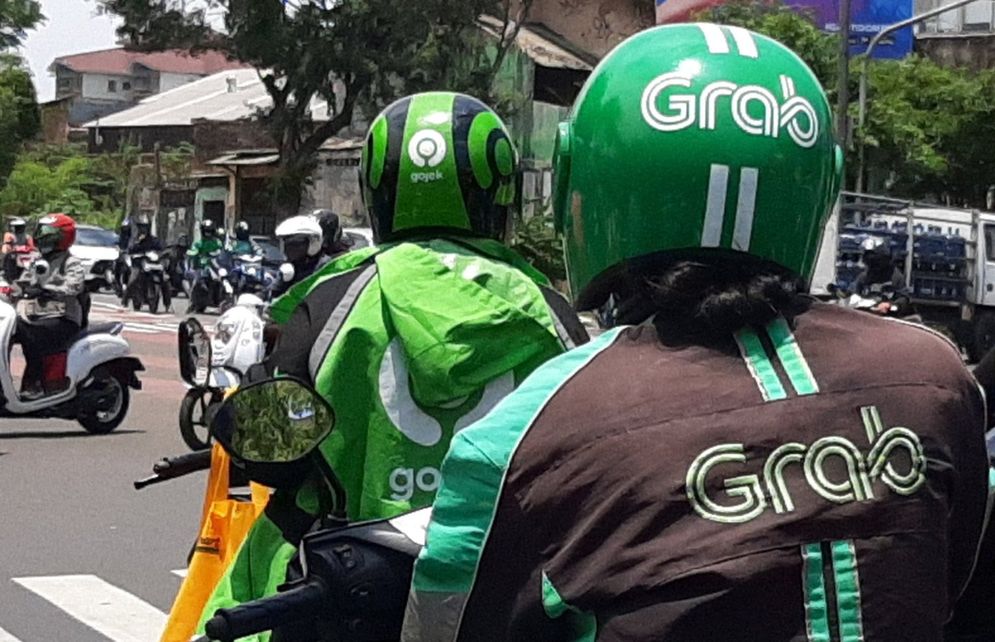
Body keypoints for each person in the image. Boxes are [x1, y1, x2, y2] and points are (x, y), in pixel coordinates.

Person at [403, 26, 990, 641]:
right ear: (822, 183)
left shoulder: (526, 436)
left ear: (581, 182)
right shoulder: (936, 380)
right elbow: (953, 588)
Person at [197, 91, 588, 640]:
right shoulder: (549, 312)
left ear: (378, 193)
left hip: (346, 595)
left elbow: (266, 452)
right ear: (502, 194)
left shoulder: (336, 300)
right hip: (510, 599)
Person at [14, 214, 86, 398]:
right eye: (41, 231)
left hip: (63, 318)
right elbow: (22, 282)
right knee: (14, 330)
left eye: (48, 233)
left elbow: (74, 286)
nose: (42, 236)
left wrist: (47, 289)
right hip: (36, 314)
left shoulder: (71, 262)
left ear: (62, 236)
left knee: (32, 334)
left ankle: (35, 385)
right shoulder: (37, 259)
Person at [271, 214, 327, 296]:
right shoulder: (289, 268)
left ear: (313, 242)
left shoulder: (324, 266)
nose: (289, 249)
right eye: (286, 244)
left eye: (295, 243)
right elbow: (273, 296)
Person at [121, 215, 168, 310]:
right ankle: (124, 301)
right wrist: (137, 246)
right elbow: (129, 249)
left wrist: (161, 254)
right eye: (142, 226)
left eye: (145, 226)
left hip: (151, 264)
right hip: (138, 264)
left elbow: (162, 248)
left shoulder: (153, 240)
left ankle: (167, 304)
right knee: (132, 280)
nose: (144, 229)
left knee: (165, 279)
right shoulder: (135, 239)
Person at [2, 217, 35, 281]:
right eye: (18, 227)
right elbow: (31, 247)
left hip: (20, 256)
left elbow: (31, 247)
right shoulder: (11, 236)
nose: (19, 228)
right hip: (17, 255)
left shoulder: (27, 237)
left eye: (20, 227)